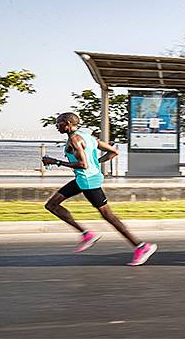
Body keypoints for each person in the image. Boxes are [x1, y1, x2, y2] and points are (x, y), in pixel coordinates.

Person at [42, 113, 157, 266]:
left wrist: (55, 161)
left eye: (59, 123)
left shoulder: (74, 140)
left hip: (88, 181)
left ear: (68, 123)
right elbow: (113, 152)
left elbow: (83, 165)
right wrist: (97, 161)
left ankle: (141, 246)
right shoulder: (87, 136)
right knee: (51, 204)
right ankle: (86, 234)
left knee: (108, 216)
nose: (57, 126)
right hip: (83, 179)